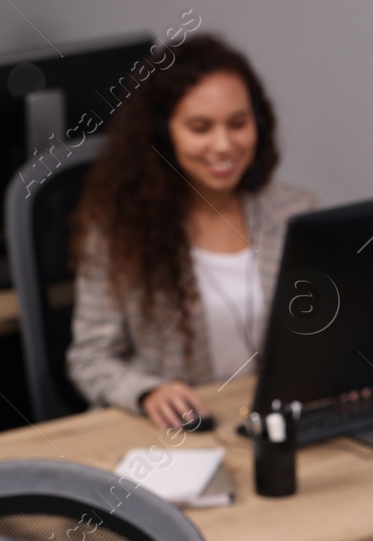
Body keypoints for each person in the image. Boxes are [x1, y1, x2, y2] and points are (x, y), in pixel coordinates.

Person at [67, 35, 316, 430]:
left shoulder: (296, 213)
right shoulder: (119, 232)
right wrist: (146, 391)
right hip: (171, 436)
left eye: (238, 123)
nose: (223, 145)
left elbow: (324, 332)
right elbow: (91, 359)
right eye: (200, 128)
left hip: (267, 426)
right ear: (163, 134)